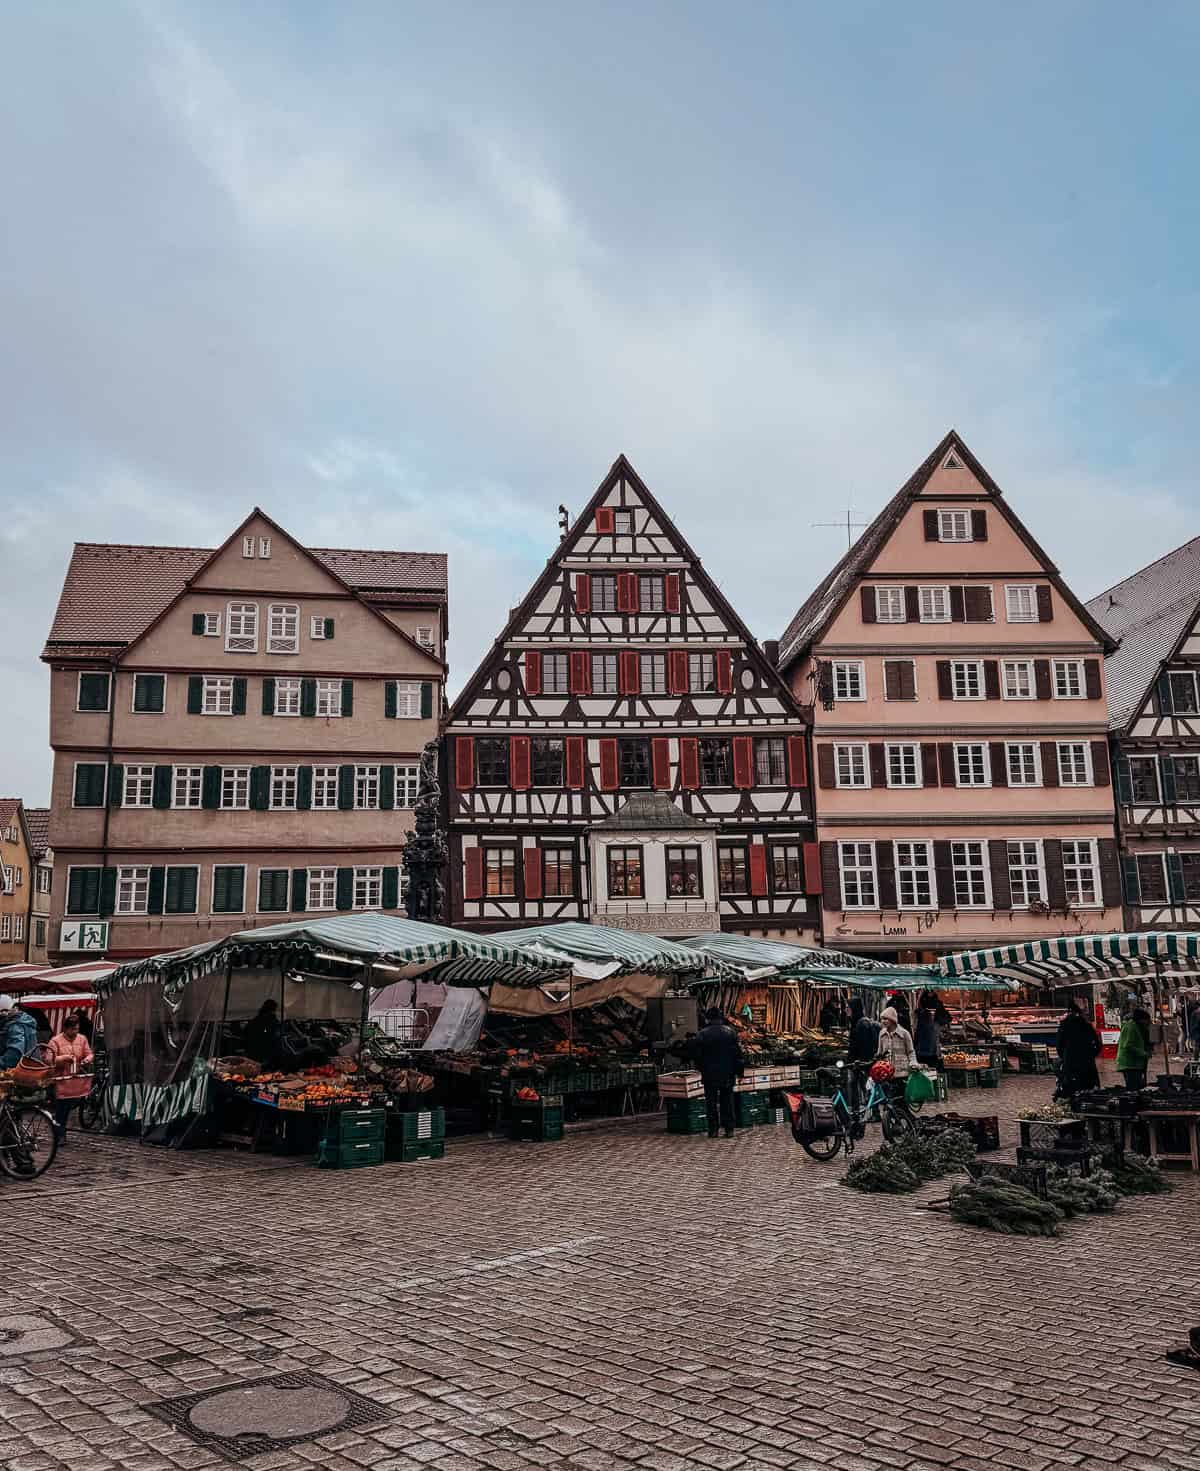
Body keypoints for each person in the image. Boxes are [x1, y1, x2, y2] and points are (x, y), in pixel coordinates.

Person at [691, 1007, 744, 1139]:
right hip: (728, 1073)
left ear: (708, 1018)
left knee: (711, 1102)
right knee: (727, 1101)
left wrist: (702, 1068)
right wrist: (740, 1071)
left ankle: (713, 1129)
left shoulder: (702, 1034)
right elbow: (738, 1055)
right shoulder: (730, 1032)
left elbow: (697, 1055)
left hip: (710, 1074)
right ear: (721, 1018)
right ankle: (729, 1129)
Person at [45, 1012, 94, 1141]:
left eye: (77, 1029)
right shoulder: (55, 1041)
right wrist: (63, 1059)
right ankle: (60, 1135)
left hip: (74, 1079)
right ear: (66, 1028)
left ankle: (60, 1131)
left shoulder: (82, 1039)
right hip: (60, 1079)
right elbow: (49, 1060)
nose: (75, 1032)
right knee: (61, 1108)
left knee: (68, 1107)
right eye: (73, 1029)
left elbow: (89, 1053)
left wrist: (87, 1059)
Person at [1054, 995, 1101, 1100]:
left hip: (1070, 1061)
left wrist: (1065, 1056)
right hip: (1087, 1060)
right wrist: (1092, 1054)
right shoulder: (1086, 1025)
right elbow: (1097, 1043)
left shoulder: (1064, 1025)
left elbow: (1059, 1045)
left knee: (1073, 1086)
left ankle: (1075, 1104)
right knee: (1089, 1086)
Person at [846, 999, 880, 1108]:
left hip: (861, 1063)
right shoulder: (855, 1022)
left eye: (848, 1007)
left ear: (854, 1009)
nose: (846, 1010)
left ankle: (872, 1110)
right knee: (858, 1086)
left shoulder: (862, 1024)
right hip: (857, 1062)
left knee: (866, 1086)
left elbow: (865, 1045)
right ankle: (857, 1110)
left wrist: (862, 1062)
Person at [876, 1006, 916, 1085]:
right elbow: (879, 1053)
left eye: (885, 1019)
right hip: (886, 1073)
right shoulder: (881, 1034)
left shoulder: (904, 1034)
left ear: (892, 1020)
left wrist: (913, 1063)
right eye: (882, 1019)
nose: (883, 1021)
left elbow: (911, 1052)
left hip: (902, 1073)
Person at [1115, 1007, 1151, 1092]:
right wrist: (1144, 1053)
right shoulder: (1130, 1027)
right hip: (1129, 1064)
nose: (1148, 1023)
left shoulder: (1135, 1026)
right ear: (1141, 1020)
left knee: (1136, 1087)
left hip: (1134, 1063)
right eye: (1147, 1020)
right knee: (1133, 1089)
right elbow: (1128, 1045)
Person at [242, 1000, 284, 1068]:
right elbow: (270, 1034)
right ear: (273, 1009)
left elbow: (246, 1032)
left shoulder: (257, 1018)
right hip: (264, 1052)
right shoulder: (270, 1019)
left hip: (252, 1050)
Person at [0, 996, 38, 1070]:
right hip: (30, 1068)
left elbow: (15, 1053)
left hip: (19, 1071)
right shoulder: (23, 1021)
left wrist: (2, 1062)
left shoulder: (15, 1026)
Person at [914, 1002, 941, 1069]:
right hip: (933, 1053)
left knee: (925, 1071)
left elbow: (917, 1038)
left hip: (923, 1053)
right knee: (932, 1071)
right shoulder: (933, 1025)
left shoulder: (921, 1025)